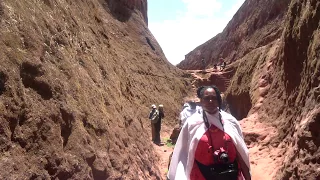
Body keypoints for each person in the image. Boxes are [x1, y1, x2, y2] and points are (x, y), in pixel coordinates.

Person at [168, 86, 251, 180]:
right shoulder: (192, 123)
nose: (210, 101)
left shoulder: (230, 121)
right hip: (201, 175)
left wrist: (247, 176)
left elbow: (240, 151)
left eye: (214, 98)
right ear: (201, 101)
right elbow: (184, 153)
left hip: (230, 174)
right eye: (207, 98)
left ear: (219, 100)